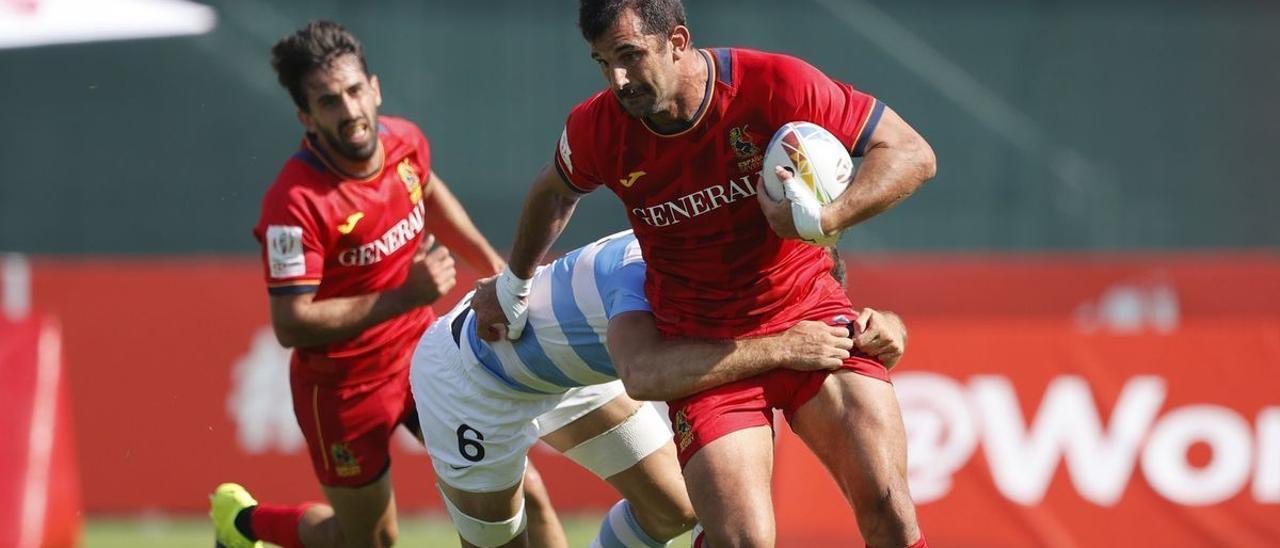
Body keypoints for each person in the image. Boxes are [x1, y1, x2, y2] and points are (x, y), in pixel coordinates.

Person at [472, 1, 938, 546]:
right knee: (742, 541)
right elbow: (554, 191)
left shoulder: (774, 85)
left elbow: (911, 153)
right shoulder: (599, 127)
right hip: (706, 351)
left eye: (629, 56)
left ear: (677, 40)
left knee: (891, 512)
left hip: (813, 317)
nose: (618, 80)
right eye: (602, 62)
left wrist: (824, 218)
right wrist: (512, 286)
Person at [210, 20, 566, 548]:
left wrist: (497, 269)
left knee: (523, 492)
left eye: (355, 92)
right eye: (329, 102)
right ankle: (244, 526)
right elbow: (292, 324)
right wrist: (405, 295)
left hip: (425, 360)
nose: (350, 110)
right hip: (342, 390)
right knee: (371, 541)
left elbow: (427, 190)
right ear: (307, 117)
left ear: (374, 88)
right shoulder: (294, 205)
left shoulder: (403, 141)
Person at [414, 229, 908, 548]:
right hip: (472, 378)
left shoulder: (739, 269)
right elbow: (646, 375)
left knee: (677, 510)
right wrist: (784, 348)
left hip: (572, 374)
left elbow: (816, 321)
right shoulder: (653, 266)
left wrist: (885, 324)